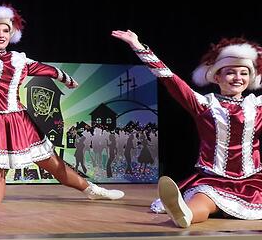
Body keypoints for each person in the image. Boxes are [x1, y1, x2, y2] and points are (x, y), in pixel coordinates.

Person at [0, 0, 124, 204]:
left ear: (12, 34)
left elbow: (47, 70)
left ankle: (92, 190)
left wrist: (67, 79)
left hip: (19, 123)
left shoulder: (20, 60)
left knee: (54, 164)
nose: (1, 35)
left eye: (5, 30)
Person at [112, 30, 262, 228]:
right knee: (203, 203)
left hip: (253, 183)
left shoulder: (257, 105)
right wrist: (138, 46)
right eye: (230, 72)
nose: (237, 77)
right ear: (217, 77)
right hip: (213, 181)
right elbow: (168, 78)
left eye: (244, 73)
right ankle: (184, 214)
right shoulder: (204, 104)